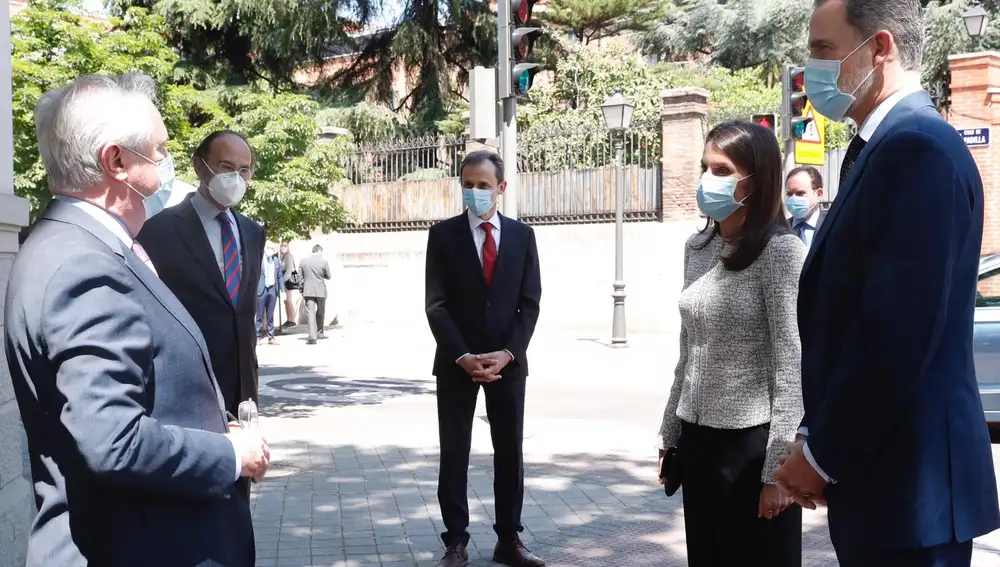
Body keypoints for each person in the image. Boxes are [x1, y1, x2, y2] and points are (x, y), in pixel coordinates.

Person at [4, 73, 268, 567]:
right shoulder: (83, 264)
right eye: (160, 150)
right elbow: (114, 440)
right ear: (117, 161)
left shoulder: (77, 245)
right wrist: (231, 455)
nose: (169, 164)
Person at [773, 1, 1000, 566]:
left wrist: (821, 455)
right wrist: (813, 436)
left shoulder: (915, 148)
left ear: (879, 48)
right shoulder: (883, 146)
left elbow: (893, 337)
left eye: (824, 50)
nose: (810, 70)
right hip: (890, 486)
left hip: (912, 496)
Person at [656, 121, 806, 567]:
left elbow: (790, 364)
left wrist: (778, 470)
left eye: (722, 170)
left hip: (752, 446)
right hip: (699, 442)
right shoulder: (698, 247)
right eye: (705, 167)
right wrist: (671, 429)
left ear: (755, 179)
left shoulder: (781, 252)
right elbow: (688, 348)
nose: (708, 179)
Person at [425, 151, 543, 567]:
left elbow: (529, 304)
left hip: (508, 365)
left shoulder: (522, 236)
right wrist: (461, 355)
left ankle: (508, 540)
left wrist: (508, 354)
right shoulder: (442, 236)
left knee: (509, 452)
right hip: (457, 364)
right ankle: (455, 542)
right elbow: (436, 305)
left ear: (501, 188)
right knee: (454, 451)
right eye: (468, 184)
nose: (475, 192)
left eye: (483, 185)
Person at [137, 130, 265, 425]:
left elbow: (242, 314)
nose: (236, 177)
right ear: (199, 166)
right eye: (226, 167)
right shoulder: (157, 231)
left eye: (244, 170)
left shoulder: (252, 232)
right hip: (185, 390)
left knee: (243, 469)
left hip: (243, 390)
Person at [783, 166, 826, 247]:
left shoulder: (832, 225)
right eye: (789, 194)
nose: (793, 199)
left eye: (800, 193)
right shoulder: (781, 230)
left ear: (819, 194)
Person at [299, 244, 332, 345]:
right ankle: (320, 332)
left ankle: (312, 337)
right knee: (321, 312)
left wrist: (301, 288)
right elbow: (328, 276)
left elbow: (300, 277)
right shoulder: (324, 262)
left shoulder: (303, 261)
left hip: (308, 290)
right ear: (319, 251)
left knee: (311, 314)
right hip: (320, 290)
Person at [256, 244, 283, 345]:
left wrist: (282, 290)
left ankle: (271, 337)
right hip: (261, 290)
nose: (270, 250)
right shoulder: (259, 260)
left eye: (272, 248)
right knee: (259, 315)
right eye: (268, 248)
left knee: (270, 315)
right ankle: (257, 336)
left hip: (272, 290)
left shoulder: (276, 260)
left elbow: (280, 275)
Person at [280, 243, 298, 326]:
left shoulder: (289, 256)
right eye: (282, 246)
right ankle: (288, 319)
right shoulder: (282, 257)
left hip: (287, 281)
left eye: (285, 246)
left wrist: (282, 281)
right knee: (285, 301)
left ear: (288, 247)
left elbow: (289, 271)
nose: (283, 247)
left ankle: (292, 320)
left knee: (289, 301)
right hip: (284, 281)